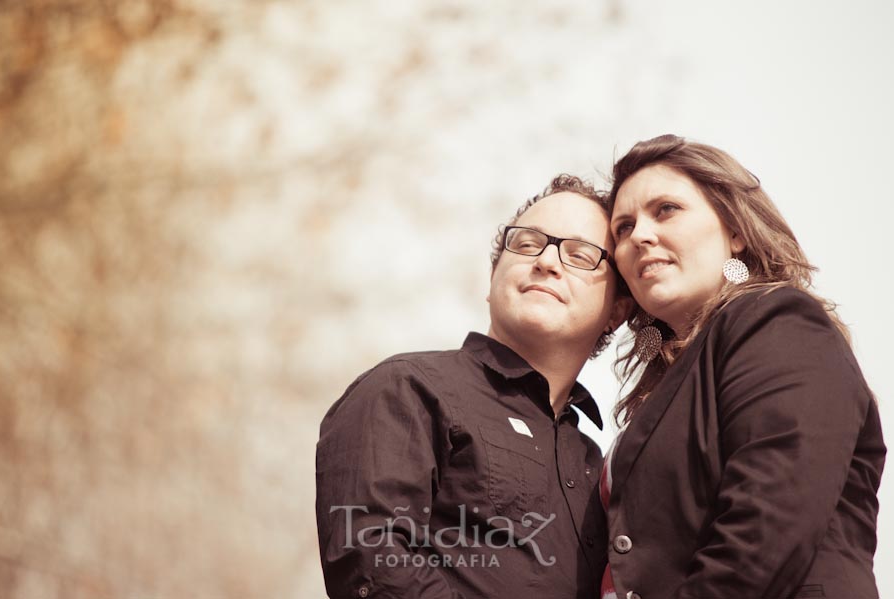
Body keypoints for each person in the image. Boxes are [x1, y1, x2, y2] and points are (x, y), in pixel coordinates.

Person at [316, 175, 632, 598]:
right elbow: (370, 555)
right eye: (526, 244)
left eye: (580, 255)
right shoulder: (410, 389)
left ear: (618, 311)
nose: (546, 261)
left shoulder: (598, 465)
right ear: (491, 280)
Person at [599, 134, 885, 599]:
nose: (640, 236)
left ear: (734, 231)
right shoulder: (673, 381)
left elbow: (767, 524)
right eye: (623, 228)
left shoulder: (779, 320)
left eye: (666, 209)